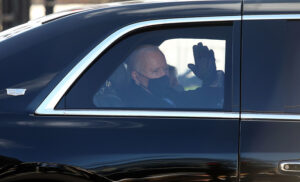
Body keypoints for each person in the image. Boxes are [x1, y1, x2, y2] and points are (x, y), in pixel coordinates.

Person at [123, 43, 224, 109]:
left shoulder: (164, 94)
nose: (163, 74)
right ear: (136, 77)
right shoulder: (139, 106)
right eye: (155, 71)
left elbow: (189, 100)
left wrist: (210, 80)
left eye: (165, 69)